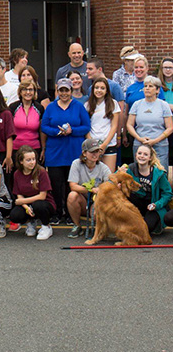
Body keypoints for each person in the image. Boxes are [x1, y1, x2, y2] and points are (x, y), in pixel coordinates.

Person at [41, 78, 91, 224]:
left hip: (73, 152)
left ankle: (70, 213)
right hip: (55, 152)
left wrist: (72, 130)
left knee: (71, 185)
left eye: (66, 90)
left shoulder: (78, 106)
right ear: (57, 91)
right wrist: (57, 132)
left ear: (71, 91)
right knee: (56, 185)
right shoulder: (51, 107)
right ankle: (57, 212)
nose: (64, 93)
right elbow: (44, 127)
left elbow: (86, 126)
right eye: (61, 90)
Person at [65, 139, 110, 238]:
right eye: (92, 152)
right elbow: (73, 185)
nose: (95, 154)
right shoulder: (76, 164)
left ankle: (98, 227)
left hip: (97, 200)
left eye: (97, 151)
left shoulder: (104, 168)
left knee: (95, 212)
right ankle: (77, 225)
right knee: (72, 195)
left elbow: (109, 186)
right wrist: (91, 189)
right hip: (83, 199)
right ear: (84, 153)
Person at [9, 146, 56, 240]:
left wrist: (22, 201)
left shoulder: (41, 172)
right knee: (15, 215)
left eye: (34, 159)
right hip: (27, 204)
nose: (32, 162)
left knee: (38, 205)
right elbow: (19, 193)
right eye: (28, 160)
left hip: (43, 203)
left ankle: (46, 226)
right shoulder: (17, 174)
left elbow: (42, 196)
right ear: (21, 161)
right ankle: (30, 222)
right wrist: (26, 207)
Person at [127, 76, 173, 168]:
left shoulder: (163, 105)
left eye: (150, 86)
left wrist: (155, 140)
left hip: (159, 146)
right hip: (140, 145)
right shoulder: (137, 104)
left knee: (160, 173)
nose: (147, 88)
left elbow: (170, 128)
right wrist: (139, 138)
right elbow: (129, 125)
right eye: (145, 86)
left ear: (157, 90)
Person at [126, 145, 172, 235]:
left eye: (145, 154)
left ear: (150, 158)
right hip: (138, 202)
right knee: (126, 194)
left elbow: (167, 194)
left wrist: (156, 204)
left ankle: (155, 222)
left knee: (146, 228)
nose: (142, 156)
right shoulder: (129, 169)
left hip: (153, 205)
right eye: (139, 153)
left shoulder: (158, 173)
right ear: (136, 155)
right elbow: (113, 179)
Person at [85, 77, 120, 170]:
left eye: (102, 88)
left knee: (109, 177)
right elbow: (86, 126)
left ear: (107, 90)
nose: (99, 90)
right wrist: (92, 144)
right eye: (96, 88)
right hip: (92, 144)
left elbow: (114, 126)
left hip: (109, 144)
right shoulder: (87, 105)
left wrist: (104, 145)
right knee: (93, 176)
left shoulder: (113, 104)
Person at [9, 80, 46, 161]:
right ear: (20, 92)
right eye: (25, 89)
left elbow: (41, 130)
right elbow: (9, 131)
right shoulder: (13, 107)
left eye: (30, 89)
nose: (28, 92)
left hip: (34, 149)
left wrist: (43, 148)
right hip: (16, 149)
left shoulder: (39, 108)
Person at [158, 57, 173, 167]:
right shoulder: (157, 85)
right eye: (165, 67)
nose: (168, 70)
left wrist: (167, 106)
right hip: (162, 123)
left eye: (170, 67)